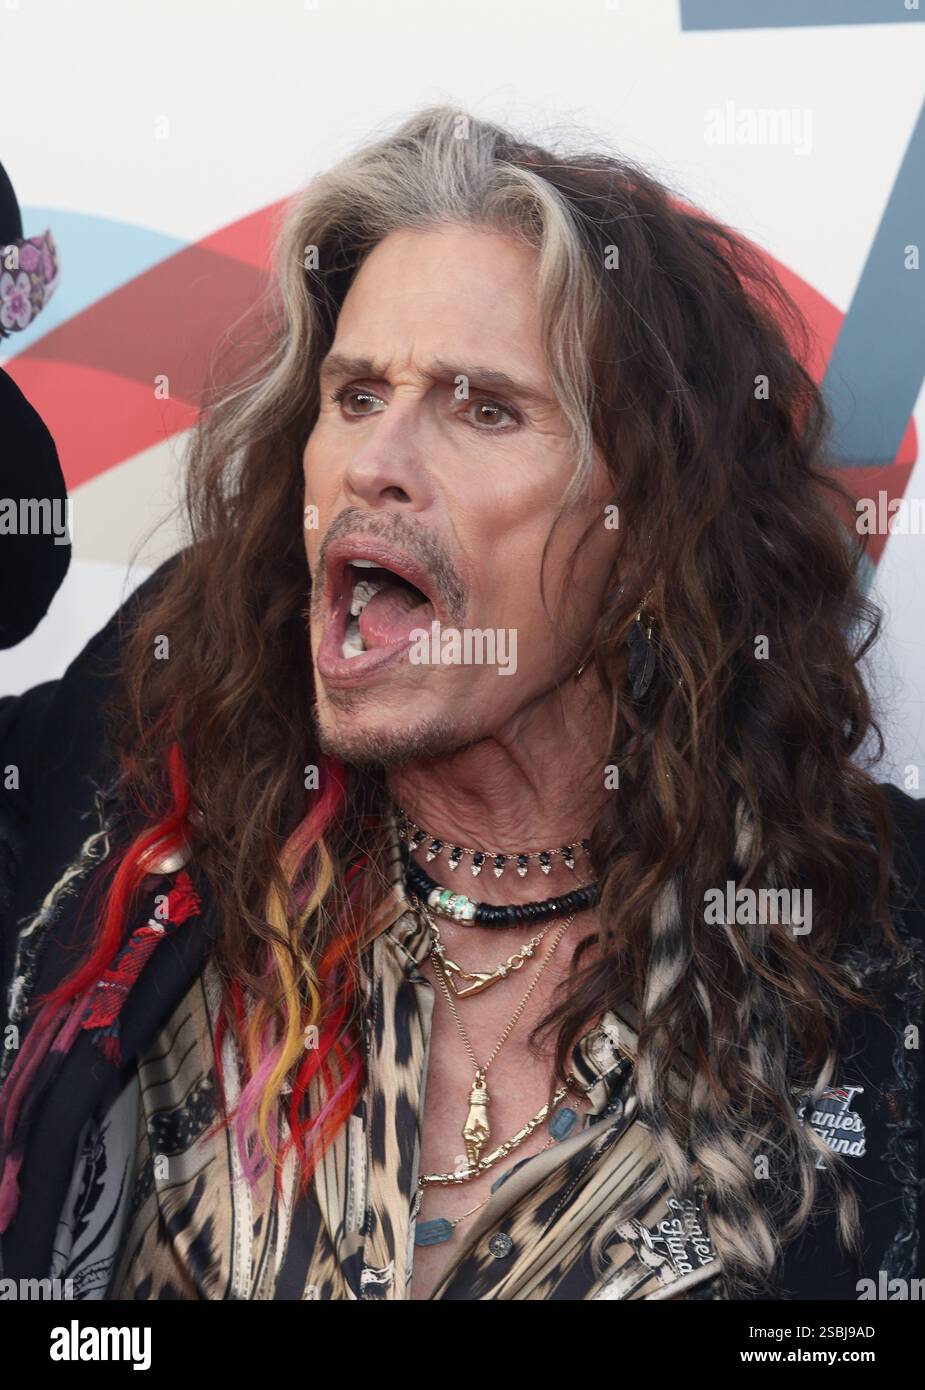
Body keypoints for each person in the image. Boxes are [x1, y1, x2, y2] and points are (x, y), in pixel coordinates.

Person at [1, 106, 923, 1302]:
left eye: (484, 407)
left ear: (645, 531)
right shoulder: (141, 767)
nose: (375, 462)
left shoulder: (875, 945)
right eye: (355, 395)